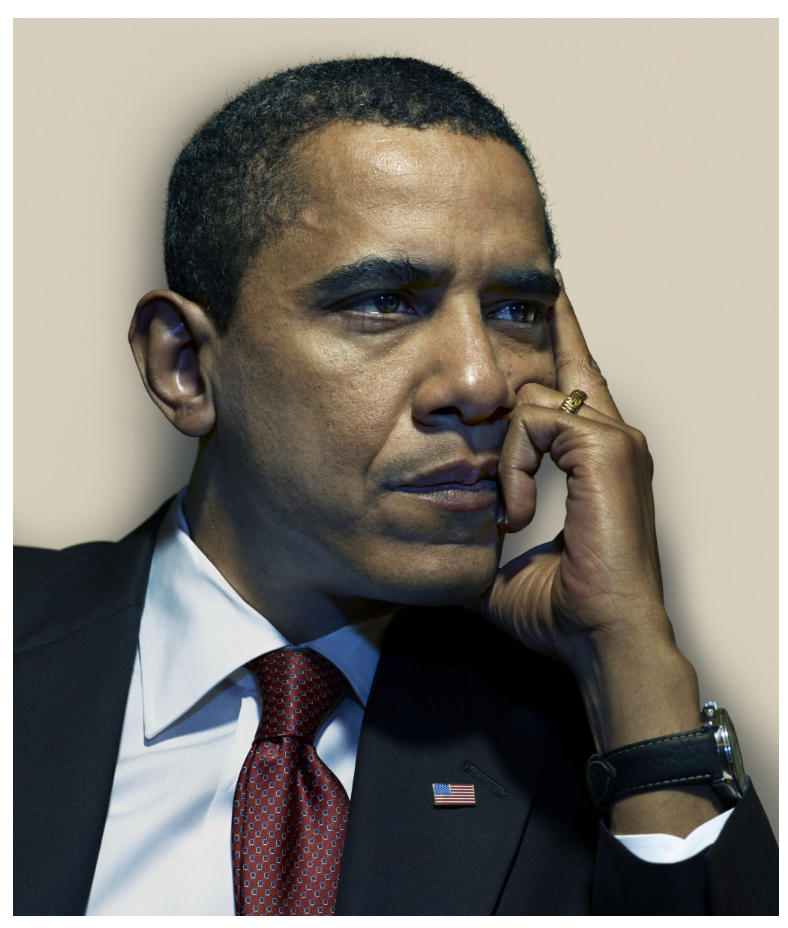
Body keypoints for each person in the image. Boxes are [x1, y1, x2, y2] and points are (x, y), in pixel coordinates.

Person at [14, 56, 777, 916]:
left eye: (515, 310)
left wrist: (633, 656)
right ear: (184, 364)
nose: (482, 381)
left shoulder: (586, 742)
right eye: (384, 301)